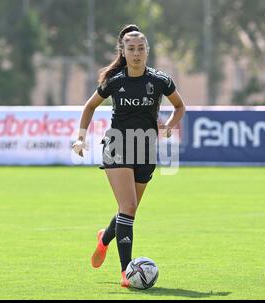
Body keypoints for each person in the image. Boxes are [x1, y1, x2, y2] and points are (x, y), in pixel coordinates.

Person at [72, 24, 185, 288]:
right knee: (129, 208)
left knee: (128, 211)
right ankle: (126, 272)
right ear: (122, 51)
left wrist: (168, 126)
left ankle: (104, 238)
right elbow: (89, 107)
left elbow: (179, 106)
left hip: (146, 148)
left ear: (147, 51)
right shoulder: (115, 81)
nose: (136, 53)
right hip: (117, 145)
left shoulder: (160, 80)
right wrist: (80, 137)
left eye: (141, 48)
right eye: (131, 49)